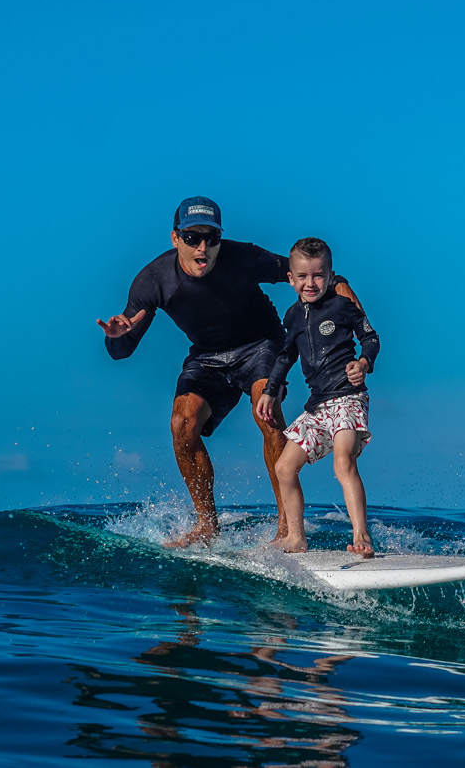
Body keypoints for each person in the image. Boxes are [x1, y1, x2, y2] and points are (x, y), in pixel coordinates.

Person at [97, 197, 364, 547]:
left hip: (261, 345)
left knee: (265, 412)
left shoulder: (243, 257)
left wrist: (337, 282)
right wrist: (119, 336)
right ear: (175, 238)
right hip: (206, 357)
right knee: (182, 423)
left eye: (211, 238)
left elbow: (298, 270)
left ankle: (286, 527)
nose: (203, 247)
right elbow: (121, 351)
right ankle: (207, 525)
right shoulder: (153, 281)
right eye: (192, 238)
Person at [257, 237, 381, 557]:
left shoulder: (342, 306)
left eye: (318, 275)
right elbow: (285, 357)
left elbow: (370, 338)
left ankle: (362, 536)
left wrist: (364, 363)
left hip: (348, 398)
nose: (310, 283)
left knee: (343, 462)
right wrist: (270, 391)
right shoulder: (293, 316)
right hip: (318, 406)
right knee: (284, 468)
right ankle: (296, 538)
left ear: (329, 275)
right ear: (290, 279)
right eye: (302, 276)